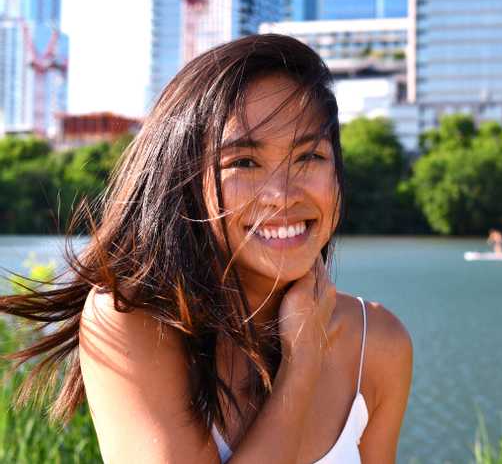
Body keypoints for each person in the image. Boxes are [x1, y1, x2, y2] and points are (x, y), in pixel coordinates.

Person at [0, 35, 413, 463]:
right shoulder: (131, 320)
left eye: (309, 156)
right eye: (244, 163)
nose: (282, 194)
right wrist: (302, 361)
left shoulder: (378, 342)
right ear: (184, 182)